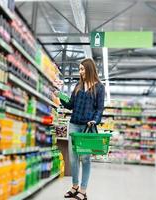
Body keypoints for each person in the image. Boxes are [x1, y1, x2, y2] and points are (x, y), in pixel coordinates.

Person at [56, 58, 105, 200]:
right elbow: (70, 105)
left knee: (85, 158)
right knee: (73, 158)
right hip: (74, 124)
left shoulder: (99, 88)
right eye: (79, 69)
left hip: (87, 128)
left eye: (82, 69)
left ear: (89, 69)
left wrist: (95, 120)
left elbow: (99, 109)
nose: (80, 71)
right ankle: (74, 186)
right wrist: (60, 96)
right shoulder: (78, 85)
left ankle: (83, 191)